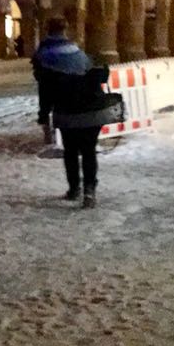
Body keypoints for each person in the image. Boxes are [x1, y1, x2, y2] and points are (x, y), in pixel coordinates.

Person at [33, 18, 112, 209]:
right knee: (88, 151)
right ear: (65, 30)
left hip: (68, 110)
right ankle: (89, 191)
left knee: (71, 151)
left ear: (47, 29)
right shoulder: (77, 51)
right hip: (92, 109)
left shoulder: (45, 54)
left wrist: (44, 114)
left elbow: (45, 89)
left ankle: (74, 188)